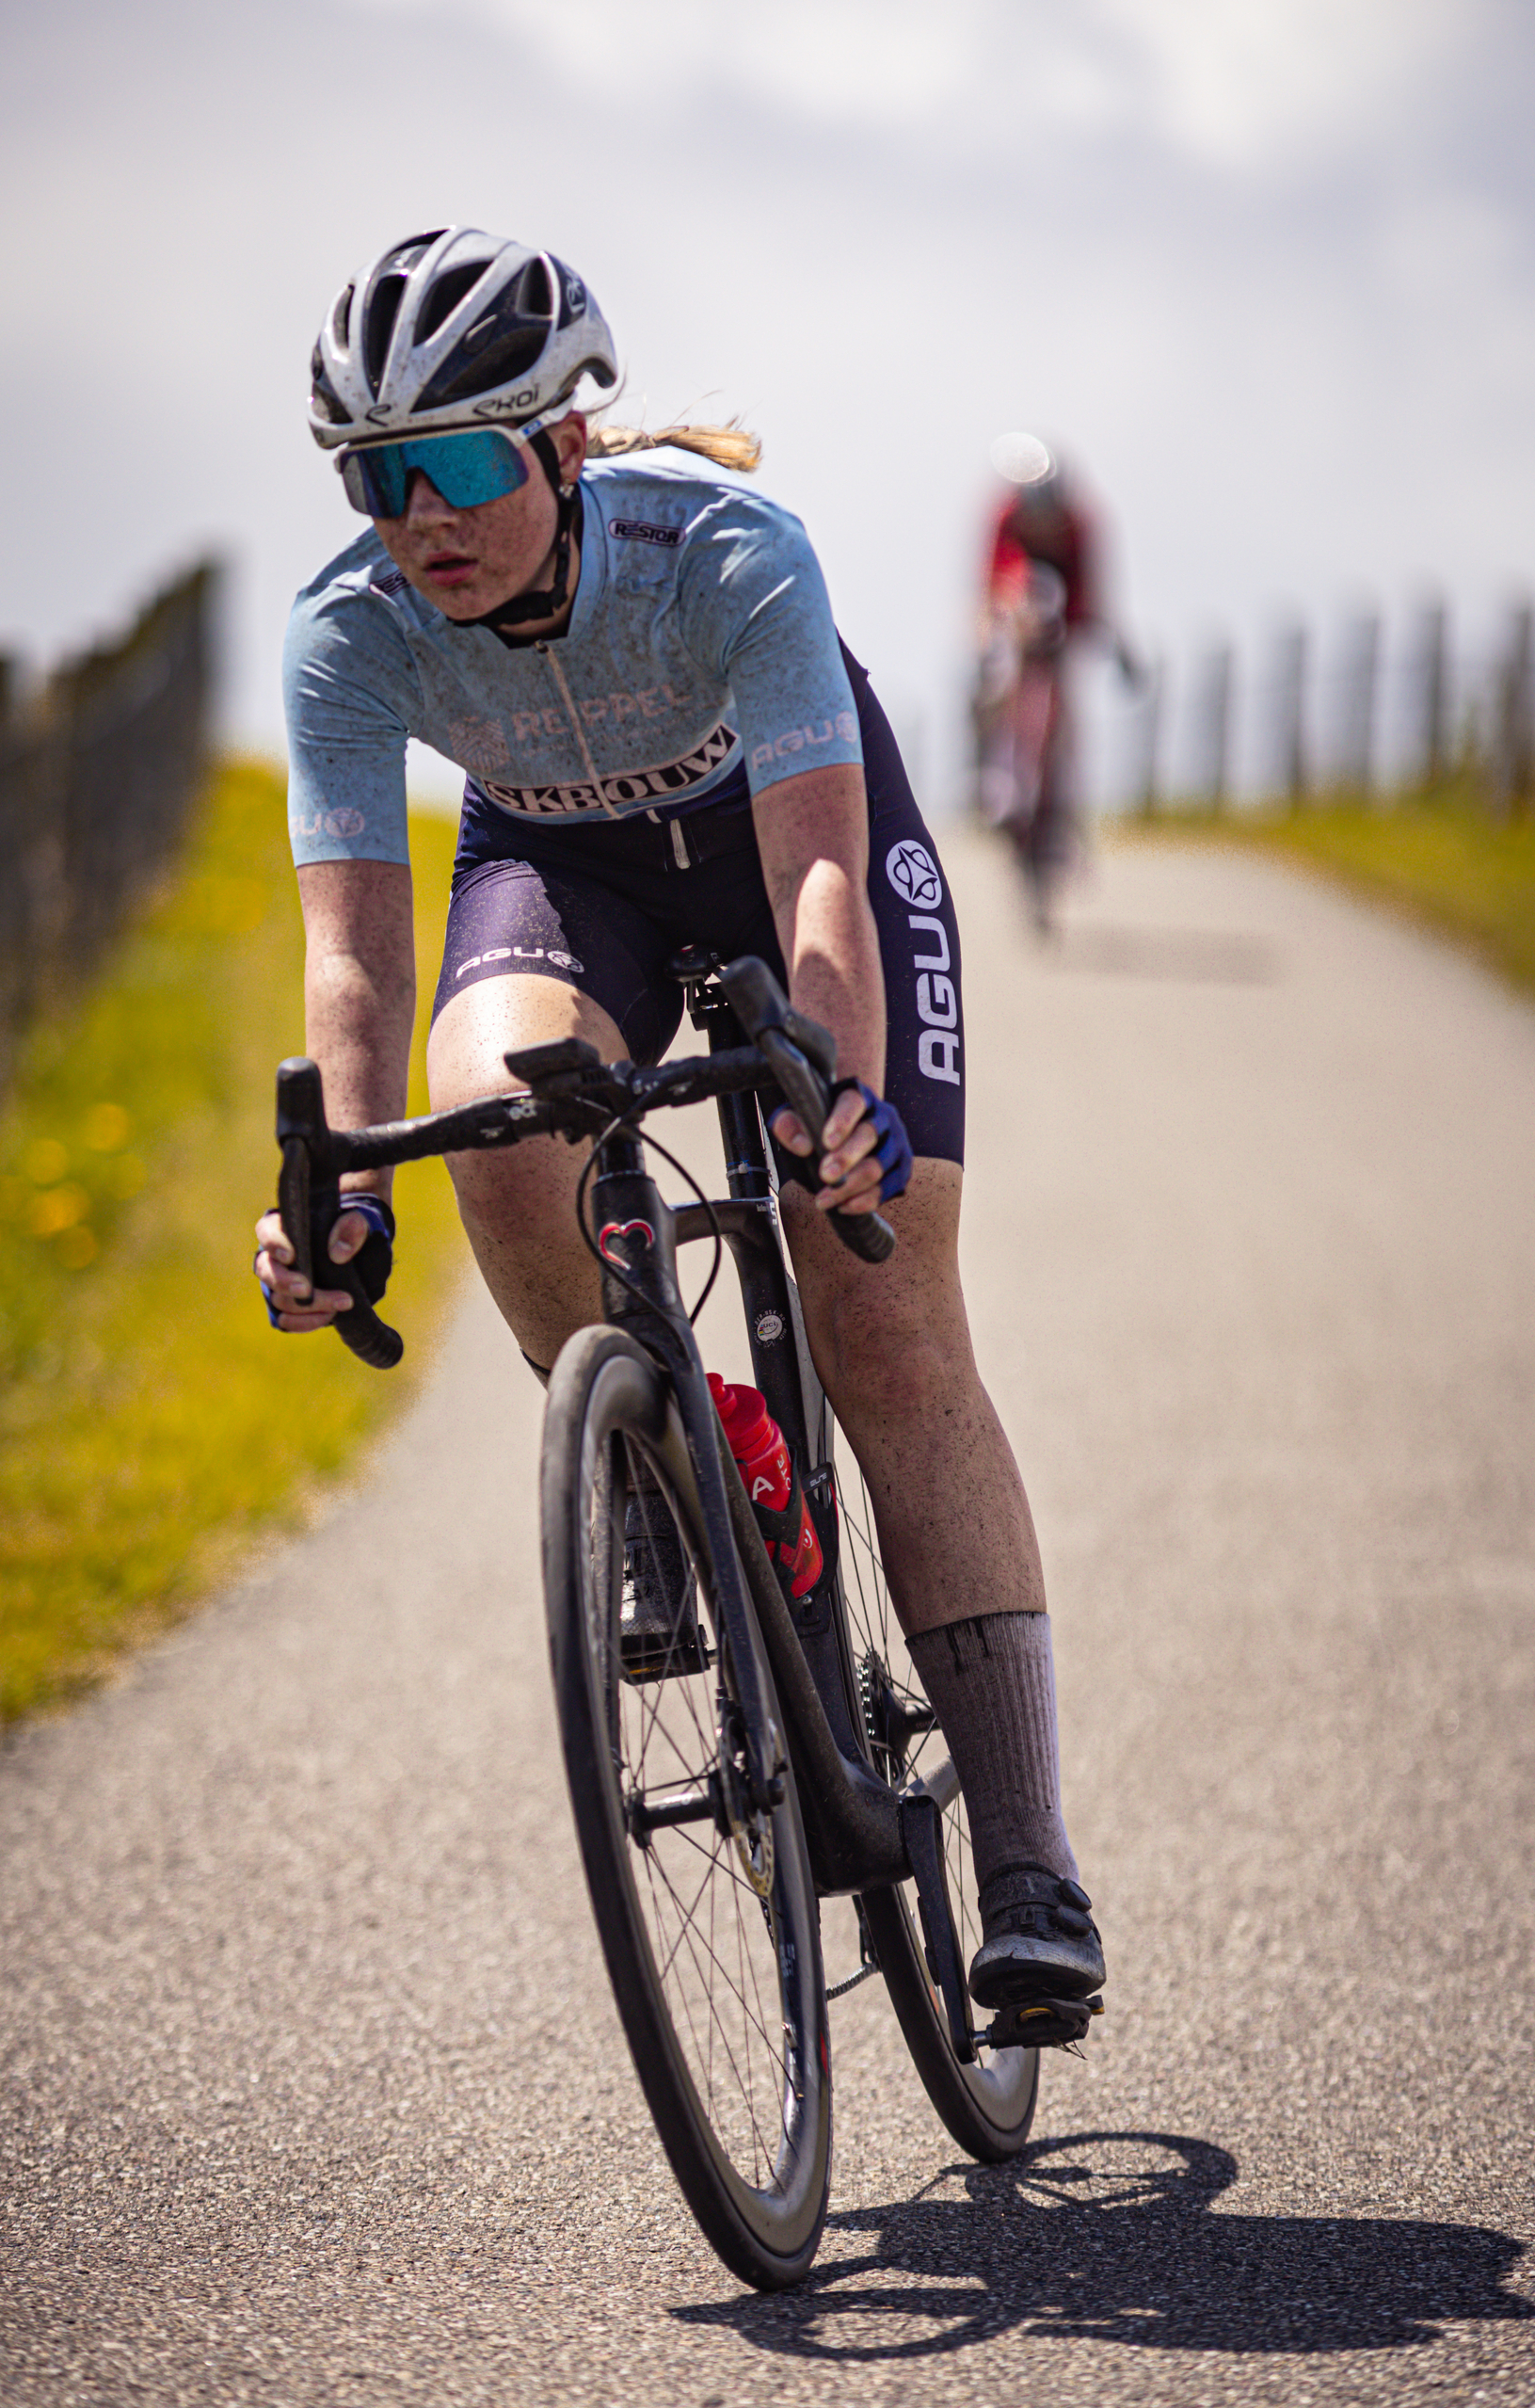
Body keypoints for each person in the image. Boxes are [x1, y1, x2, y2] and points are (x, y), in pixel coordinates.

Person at [255, 227, 1104, 2042]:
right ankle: (659, 1454)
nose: (420, 515)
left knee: (884, 1305)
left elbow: (816, 880)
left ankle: (1027, 1864)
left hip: (790, 843)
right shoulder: (349, 632)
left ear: (565, 443)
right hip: (562, 877)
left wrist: (841, 1099)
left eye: (461, 461)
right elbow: (354, 954)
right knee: (494, 1119)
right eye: (374, 474)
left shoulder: (725, 554)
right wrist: (331, 1180)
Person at [975, 435, 1136, 925]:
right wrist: (989, 639)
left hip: (1066, 615)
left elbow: (1093, 594)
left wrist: (1115, 642)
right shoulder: (1005, 518)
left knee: (1065, 713)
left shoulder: (1080, 525)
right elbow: (991, 588)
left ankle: (1062, 808)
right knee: (1000, 674)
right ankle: (994, 771)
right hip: (1019, 606)